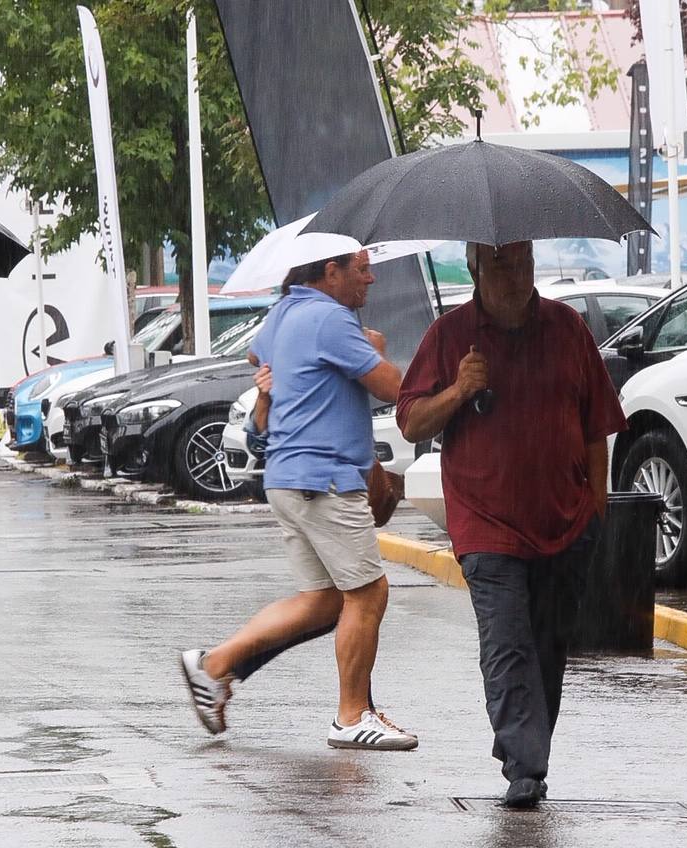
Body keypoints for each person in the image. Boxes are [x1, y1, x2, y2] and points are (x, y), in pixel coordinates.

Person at [396, 240, 627, 808]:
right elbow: (409, 421)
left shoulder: (567, 327)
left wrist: (595, 507)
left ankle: (527, 746)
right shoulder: (450, 337)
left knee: (547, 643)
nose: (516, 272)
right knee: (506, 639)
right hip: (485, 523)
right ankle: (525, 763)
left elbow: (596, 423)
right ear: (476, 267)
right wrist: (458, 389)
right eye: (501, 262)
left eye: (523, 259)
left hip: (565, 521)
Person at [180, 249, 417, 750]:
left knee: (325, 600)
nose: (370, 278)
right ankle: (352, 716)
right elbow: (395, 388)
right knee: (369, 593)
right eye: (361, 268)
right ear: (330, 272)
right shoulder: (330, 319)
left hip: (288, 478)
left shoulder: (284, 312)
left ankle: (215, 664)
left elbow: (256, 356)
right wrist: (371, 348)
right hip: (325, 478)